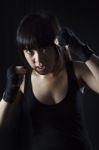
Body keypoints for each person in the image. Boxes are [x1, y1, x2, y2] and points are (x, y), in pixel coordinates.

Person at [0, 11, 99, 150]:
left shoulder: (75, 71)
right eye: (30, 51)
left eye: (44, 49)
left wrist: (83, 51)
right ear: (23, 51)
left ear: (56, 46)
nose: (38, 60)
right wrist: (8, 93)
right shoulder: (22, 80)